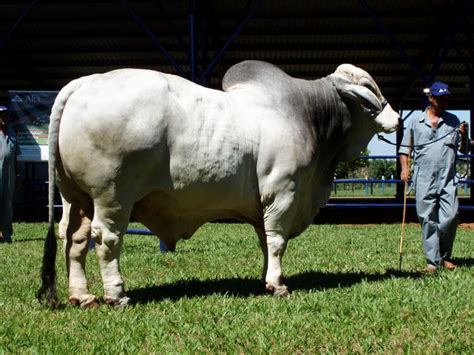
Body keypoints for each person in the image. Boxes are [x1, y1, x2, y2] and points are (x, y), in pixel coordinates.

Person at [399, 82, 468, 272]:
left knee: (450, 217)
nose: (445, 101)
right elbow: (405, 149)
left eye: (446, 98)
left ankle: (446, 255)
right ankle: (433, 261)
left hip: (448, 177)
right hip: (424, 177)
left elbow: (464, 150)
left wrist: (463, 136)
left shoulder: (454, 121)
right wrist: (405, 169)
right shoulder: (415, 122)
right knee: (427, 219)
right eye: (440, 98)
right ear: (431, 98)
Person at [0, 105, 20, 243]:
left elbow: (15, 158)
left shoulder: (12, 133)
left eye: (6, 115)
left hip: (9, 175)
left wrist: (17, 175)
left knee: (7, 204)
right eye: (1, 115)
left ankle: (7, 235)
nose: (3, 118)